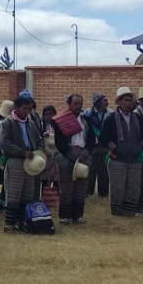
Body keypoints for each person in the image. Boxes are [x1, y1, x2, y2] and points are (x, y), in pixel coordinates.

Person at [101, 87, 143, 217]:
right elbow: (103, 138)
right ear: (119, 102)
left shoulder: (138, 118)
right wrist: (114, 149)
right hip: (117, 159)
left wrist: (140, 148)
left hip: (135, 159)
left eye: (130, 100)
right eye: (126, 100)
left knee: (133, 187)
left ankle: (130, 211)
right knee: (118, 187)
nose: (128, 103)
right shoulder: (110, 119)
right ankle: (117, 213)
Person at [0, 96, 44, 232]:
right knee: (14, 193)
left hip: (30, 162)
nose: (27, 111)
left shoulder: (30, 123)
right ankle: (10, 223)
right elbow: (4, 143)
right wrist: (22, 152)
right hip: (16, 161)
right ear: (16, 108)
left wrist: (39, 152)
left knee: (27, 193)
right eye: (24, 108)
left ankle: (22, 222)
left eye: (29, 109)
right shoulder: (8, 123)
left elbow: (40, 140)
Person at [52, 94, 92, 225]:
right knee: (66, 187)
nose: (78, 106)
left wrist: (86, 152)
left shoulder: (86, 119)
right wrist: (70, 154)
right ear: (69, 104)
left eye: (80, 103)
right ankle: (65, 216)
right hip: (67, 154)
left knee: (81, 187)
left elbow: (91, 138)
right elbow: (59, 141)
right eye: (75, 104)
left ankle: (78, 216)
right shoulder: (61, 119)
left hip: (83, 154)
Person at [84, 93, 111, 197]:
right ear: (97, 102)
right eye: (104, 100)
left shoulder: (110, 113)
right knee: (90, 171)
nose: (107, 102)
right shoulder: (87, 114)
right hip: (92, 147)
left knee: (104, 172)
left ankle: (103, 194)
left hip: (104, 147)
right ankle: (89, 192)